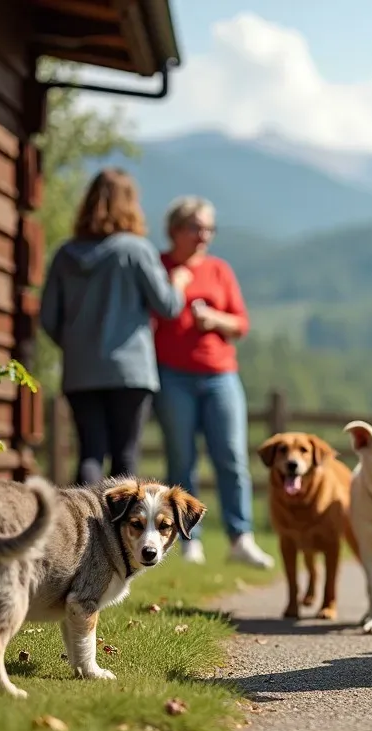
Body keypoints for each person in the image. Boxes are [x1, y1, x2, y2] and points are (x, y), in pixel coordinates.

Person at [39, 168, 192, 487]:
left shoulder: (66, 254)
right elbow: (167, 307)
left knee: (89, 454)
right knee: (125, 456)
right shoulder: (135, 250)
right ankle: (119, 535)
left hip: (81, 370)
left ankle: (80, 531)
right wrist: (177, 282)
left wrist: (76, 344)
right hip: (130, 371)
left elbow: (48, 318)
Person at [152, 195, 274, 569]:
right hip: (172, 375)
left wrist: (215, 321)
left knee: (232, 458)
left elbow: (240, 323)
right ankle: (189, 540)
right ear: (175, 230)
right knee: (181, 460)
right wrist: (173, 287)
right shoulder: (159, 266)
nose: (204, 235)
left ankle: (241, 538)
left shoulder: (219, 270)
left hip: (220, 374)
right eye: (196, 227)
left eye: (208, 228)